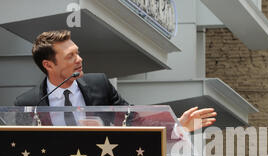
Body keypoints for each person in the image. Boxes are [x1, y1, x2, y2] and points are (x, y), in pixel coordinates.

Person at [14, 29, 216, 130]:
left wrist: (177, 125)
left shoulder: (99, 84)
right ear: (48, 65)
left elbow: (134, 120)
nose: (80, 59)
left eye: (78, 53)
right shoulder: (28, 103)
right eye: (70, 56)